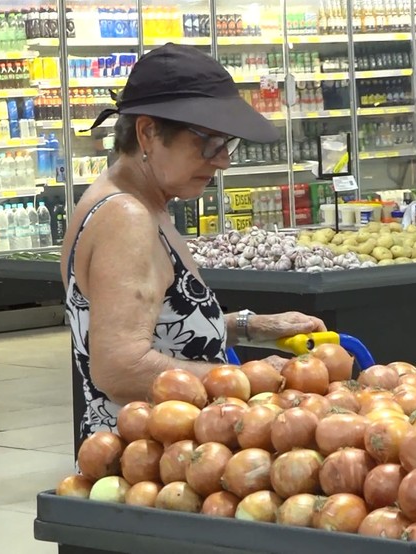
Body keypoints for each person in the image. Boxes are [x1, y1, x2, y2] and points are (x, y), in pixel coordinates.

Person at [62, 44, 325, 441]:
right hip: (150, 457)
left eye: (228, 144)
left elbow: (162, 329)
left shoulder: (139, 202)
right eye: (209, 142)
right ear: (148, 133)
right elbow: (121, 366)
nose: (223, 161)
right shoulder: (126, 217)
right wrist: (250, 378)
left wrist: (251, 326)